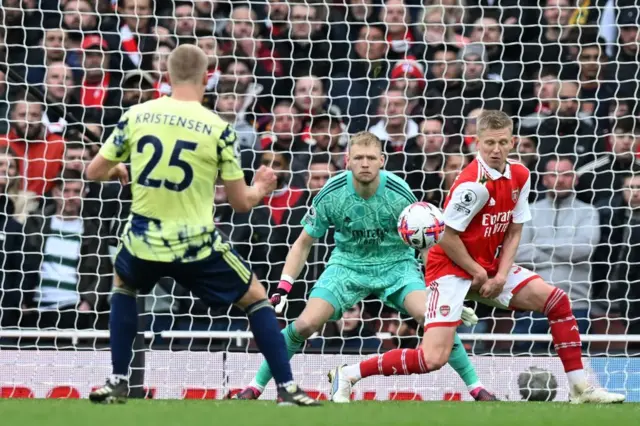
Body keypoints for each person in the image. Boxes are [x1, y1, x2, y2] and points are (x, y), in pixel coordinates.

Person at [329, 111, 625, 404]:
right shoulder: (471, 185)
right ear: (477, 143)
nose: (496, 150)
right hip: (450, 269)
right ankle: (349, 373)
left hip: (487, 266)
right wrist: (477, 273)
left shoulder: (521, 174)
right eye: (489, 144)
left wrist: (500, 275)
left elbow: (513, 231)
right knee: (433, 358)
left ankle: (580, 389)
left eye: (502, 142)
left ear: (513, 142)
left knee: (557, 301)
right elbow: (445, 236)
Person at [85, 44, 318, 406]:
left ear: (166, 75)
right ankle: (286, 388)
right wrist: (263, 187)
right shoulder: (218, 128)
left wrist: (117, 168)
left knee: (123, 285)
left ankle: (118, 379)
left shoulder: (137, 114)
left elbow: (92, 171)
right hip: (196, 242)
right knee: (256, 298)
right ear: (208, 77)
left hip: (144, 239)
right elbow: (241, 203)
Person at [234, 131, 495, 402]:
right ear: (347, 161)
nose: (365, 163)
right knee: (304, 324)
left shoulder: (400, 192)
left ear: (382, 160)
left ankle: (476, 387)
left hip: (396, 265)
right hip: (347, 265)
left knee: (433, 319)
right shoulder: (332, 192)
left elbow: (425, 246)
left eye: (371, 158)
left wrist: (442, 294)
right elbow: (303, 243)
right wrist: (284, 285)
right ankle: (256, 386)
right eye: (359, 158)